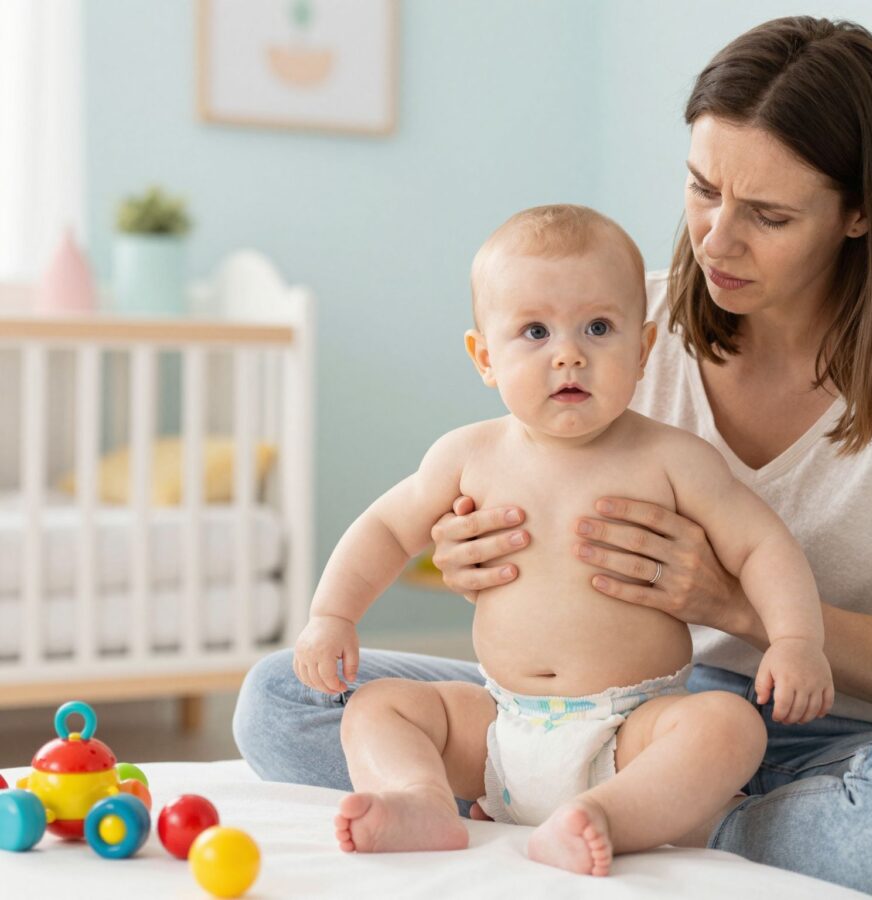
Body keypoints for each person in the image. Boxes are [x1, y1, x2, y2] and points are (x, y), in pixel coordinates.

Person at [235, 16, 872, 897]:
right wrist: (469, 557)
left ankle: (673, 813)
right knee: (284, 696)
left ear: (858, 214)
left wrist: (728, 601)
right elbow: (441, 513)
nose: (715, 241)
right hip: (617, 701)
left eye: (768, 215)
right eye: (702, 190)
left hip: (847, 733)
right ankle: (569, 797)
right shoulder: (613, 315)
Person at [290, 204, 833, 875]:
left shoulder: (673, 459)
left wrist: (796, 640)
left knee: (728, 726)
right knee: (377, 706)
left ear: (642, 349)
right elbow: (384, 528)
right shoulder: (468, 454)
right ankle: (421, 800)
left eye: (598, 328)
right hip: (499, 725)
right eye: (535, 331)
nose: (569, 353)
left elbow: (763, 546)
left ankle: (607, 815)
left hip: (632, 729)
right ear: (485, 357)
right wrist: (331, 617)